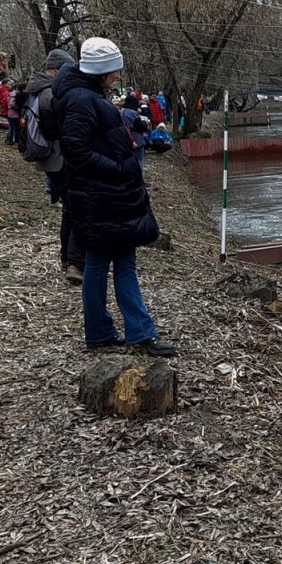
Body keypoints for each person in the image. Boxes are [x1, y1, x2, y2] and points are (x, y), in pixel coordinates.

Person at [52, 37, 175, 357]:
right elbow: (76, 150)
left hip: (100, 195)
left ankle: (102, 331)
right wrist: (118, 169)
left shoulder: (82, 95)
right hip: (104, 195)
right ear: (101, 71)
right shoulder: (83, 99)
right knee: (120, 263)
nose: (118, 76)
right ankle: (139, 333)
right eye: (114, 71)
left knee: (101, 262)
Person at [25, 48, 84, 285]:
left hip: (51, 159)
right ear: (58, 70)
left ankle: (68, 259)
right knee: (76, 208)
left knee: (69, 209)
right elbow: (56, 128)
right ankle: (74, 261)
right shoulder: (51, 93)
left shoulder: (38, 89)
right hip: (60, 159)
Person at [119, 93, 149, 172]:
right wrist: (145, 123)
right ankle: (139, 176)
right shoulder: (132, 113)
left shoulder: (121, 111)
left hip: (124, 137)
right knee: (139, 160)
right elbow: (141, 126)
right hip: (136, 138)